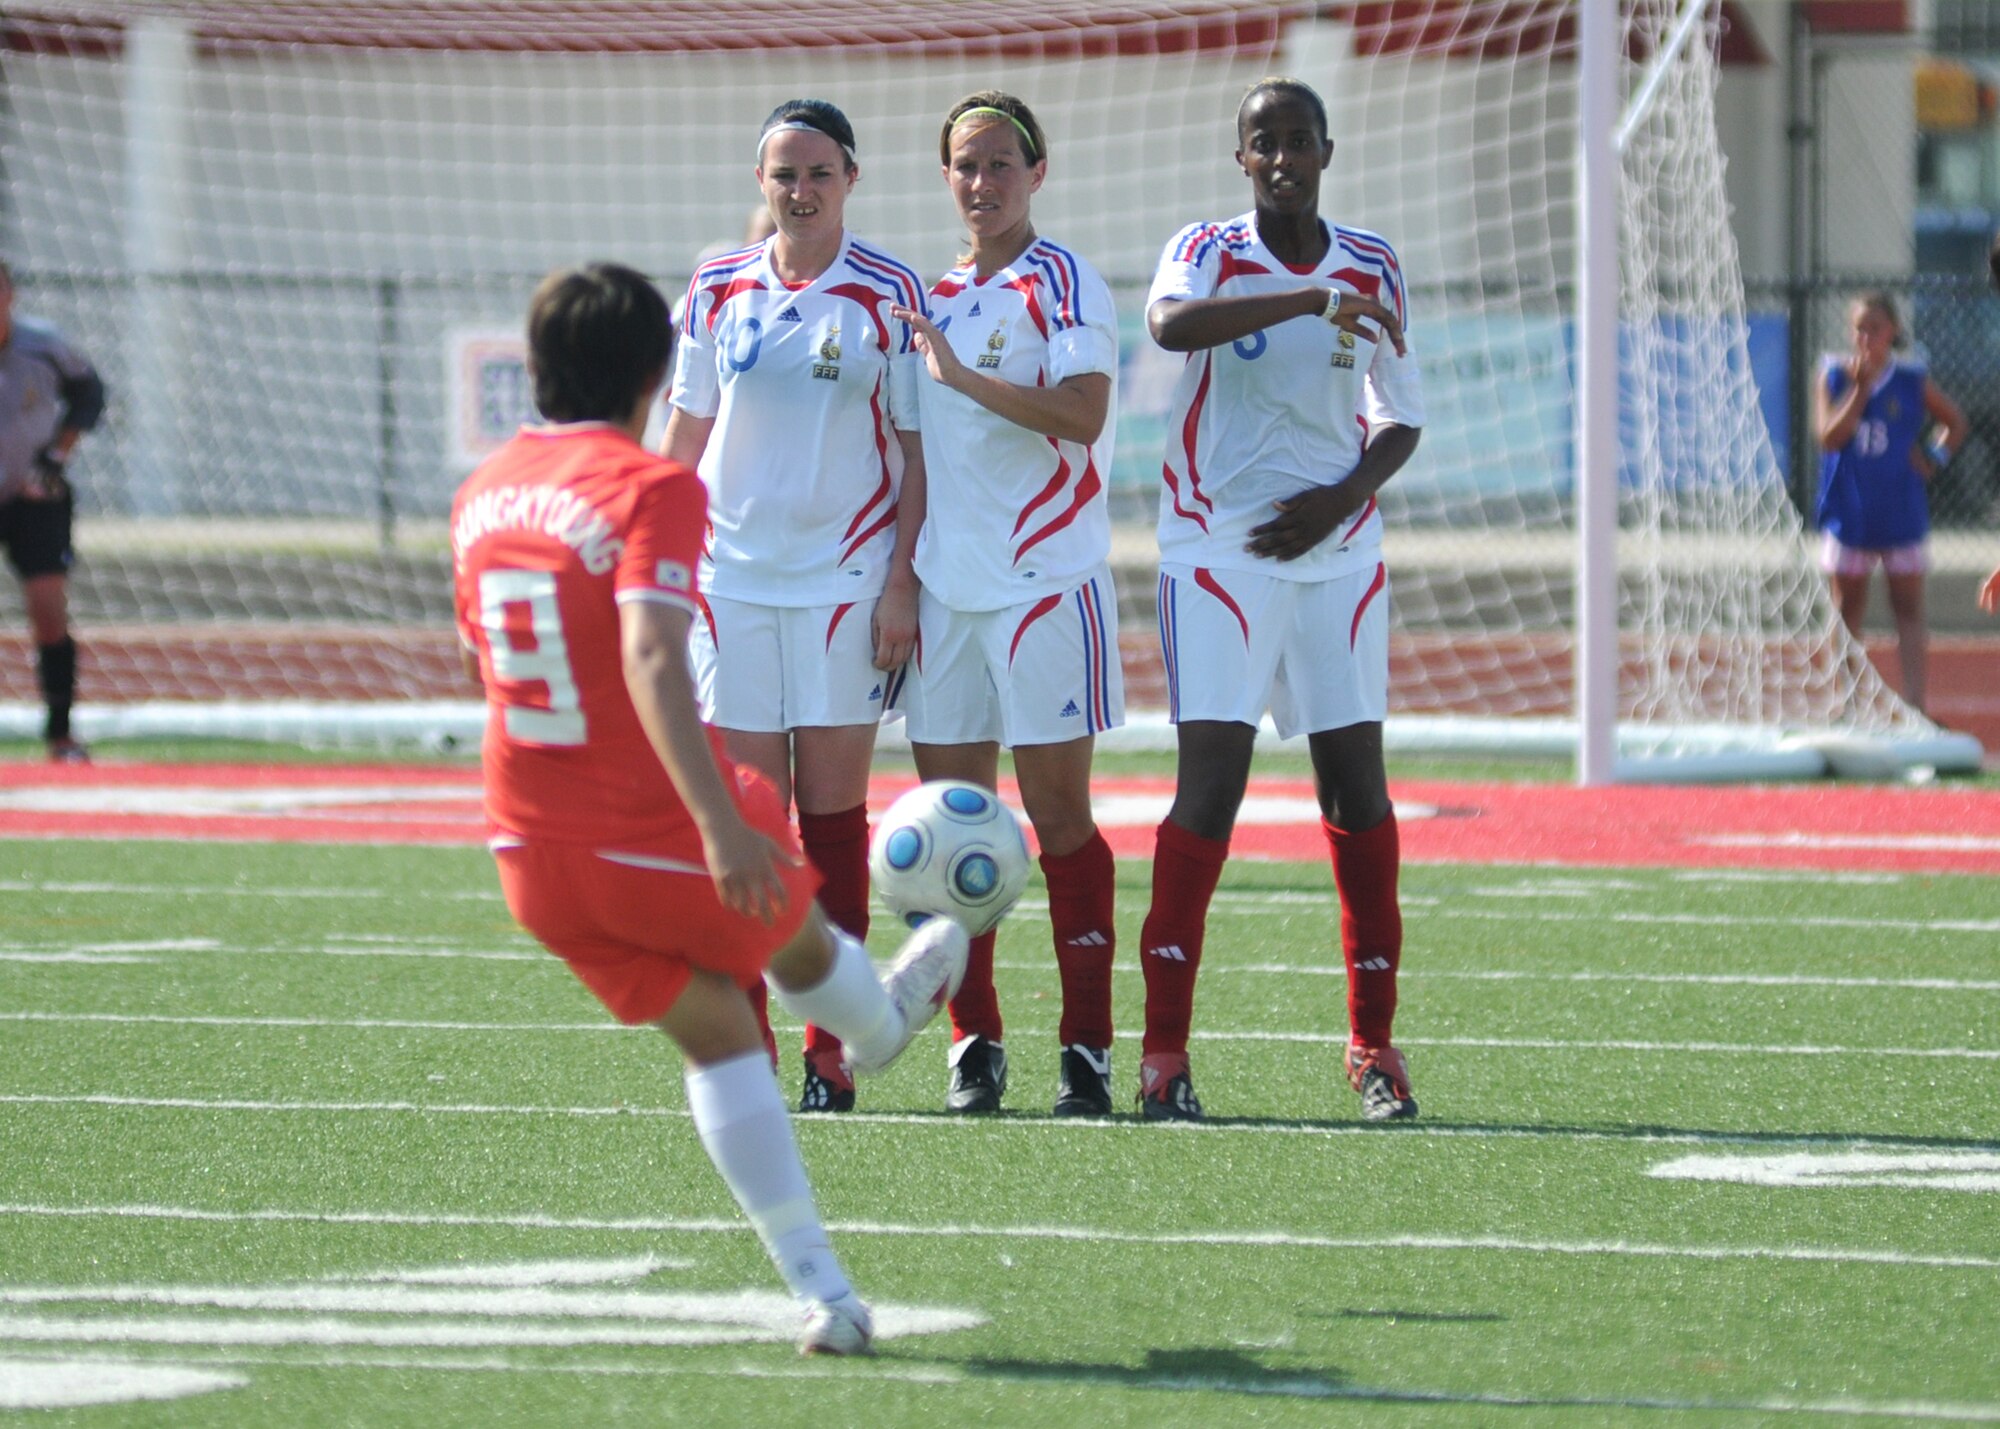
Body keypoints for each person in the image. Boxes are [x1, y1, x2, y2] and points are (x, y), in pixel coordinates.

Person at [451, 262, 967, 1356]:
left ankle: (829, 1297)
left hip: (524, 849)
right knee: (785, 912)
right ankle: (874, 1025)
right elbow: (648, 650)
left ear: (534, 369)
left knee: (723, 1035)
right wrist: (719, 824)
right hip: (638, 822)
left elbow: (478, 655)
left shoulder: (483, 486)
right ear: (655, 372)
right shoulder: (651, 488)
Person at [1135, 78, 1421, 1123]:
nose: (1283, 157)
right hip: (1216, 551)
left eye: (1299, 140)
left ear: (1326, 151)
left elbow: (1400, 413)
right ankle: (1164, 1056)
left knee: (1357, 795)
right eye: (1265, 143)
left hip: (1337, 558)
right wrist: (1305, 300)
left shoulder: (1374, 259)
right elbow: (1169, 326)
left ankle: (1374, 1048)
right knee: (1208, 790)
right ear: (1241, 156)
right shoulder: (1207, 248)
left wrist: (1342, 496)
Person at [662, 100, 928, 1115]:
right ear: (761, 183)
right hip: (728, 588)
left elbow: (910, 454)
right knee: (747, 828)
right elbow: (683, 435)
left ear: (850, 179)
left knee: (828, 825)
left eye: (817, 172)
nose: (800, 191)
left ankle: (831, 1051)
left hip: (845, 583)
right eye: (783, 174)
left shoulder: (888, 290)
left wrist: (901, 577)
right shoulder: (716, 285)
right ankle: (748, 1048)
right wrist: (655, 563)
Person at [886, 92, 1123, 1117]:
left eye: (998, 164)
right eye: (963, 166)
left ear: (1035, 170)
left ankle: (1086, 1051)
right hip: (946, 599)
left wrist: (959, 372)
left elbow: (1080, 414)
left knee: (1061, 820)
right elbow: (917, 461)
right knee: (950, 832)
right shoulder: (929, 295)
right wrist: (901, 579)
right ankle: (972, 1046)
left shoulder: (1062, 279)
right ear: (945, 178)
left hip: (1043, 591)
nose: (980, 183)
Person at [1812, 291, 1967, 717]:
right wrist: (1859, 392)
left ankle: (1916, 702)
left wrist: (1934, 456)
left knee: (1908, 609)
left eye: (1874, 328)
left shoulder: (1911, 379)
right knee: (1847, 611)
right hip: (1851, 512)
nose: (1866, 337)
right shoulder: (1833, 375)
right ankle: (1844, 702)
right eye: (1859, 327)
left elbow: (1955, 422)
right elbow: (1828, 436)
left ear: (1892, 331)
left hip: (1900, 509)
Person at [0, 259, 105, 763]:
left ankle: (61, 736)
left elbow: (90, 393)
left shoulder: (43, 345)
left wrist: (57, 456)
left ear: (10, 295)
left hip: (33, 498)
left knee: (47, 608)